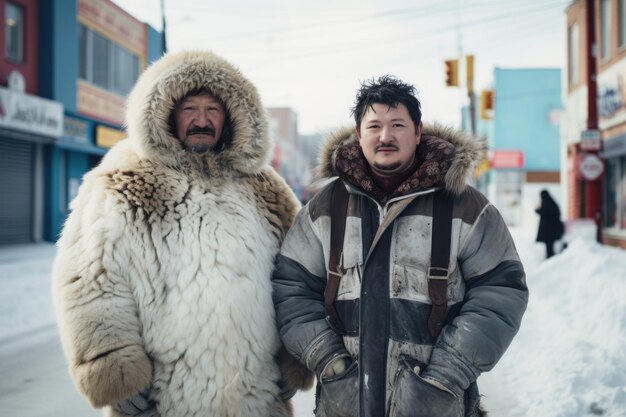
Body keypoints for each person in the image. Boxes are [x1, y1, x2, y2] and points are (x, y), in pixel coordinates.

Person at [52, 50, 313, 417]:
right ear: (167, 112)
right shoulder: (123, 180)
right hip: (162, 400)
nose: (202, 120)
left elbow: (299, 278)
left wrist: (295, 354)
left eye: (213, 109)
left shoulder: (267, 188)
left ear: (234, 115)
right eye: (190, 108)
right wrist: (113, 369)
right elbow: (91, 283)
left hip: (257, 396)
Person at [272, 76, 529, 417]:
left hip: (437, 406)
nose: (386, 136)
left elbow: (501, 293)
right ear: (358, 132)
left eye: (397, 125)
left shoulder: (466, 208)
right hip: (344, 406)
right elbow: (292, 289)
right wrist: (329, 362)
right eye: (374, 125)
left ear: (418, 131)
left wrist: (444, 377)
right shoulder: (324, 209)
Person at [535, 189, 564, 258]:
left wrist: (538, 210)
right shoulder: (551, 202)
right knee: (549, 245)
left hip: (549, 230)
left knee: (549, 245)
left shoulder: (547, 203)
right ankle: (550, 257)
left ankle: (550, 258)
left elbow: (545, 212)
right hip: (551, 230)